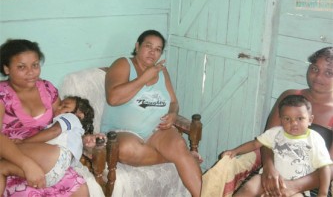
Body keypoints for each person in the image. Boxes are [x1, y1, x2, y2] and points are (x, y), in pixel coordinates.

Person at [201, 46, 333, 197]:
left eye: (329, 73)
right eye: (315, 69)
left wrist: (292, 186)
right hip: (274, 169)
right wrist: (269, 170)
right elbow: (268, 141)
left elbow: (330, 166)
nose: (318, 77)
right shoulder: (290, 97)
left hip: (312, 182)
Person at [100, 29, 202, 196]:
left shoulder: (161, 71)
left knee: (177, 144)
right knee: (125, 149)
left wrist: (173, 114)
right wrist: (144, 78)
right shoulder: (123, 63)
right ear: (137, 46)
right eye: (148, 46)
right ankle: (180, 156)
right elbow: (113, 98)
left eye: (158, 49)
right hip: (123, 130)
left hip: (157, 129)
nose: (152, 52)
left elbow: (174, 102)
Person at [0, 39, 89, 197]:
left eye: (35, 65)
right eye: (21, 67)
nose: (31, 72)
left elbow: (62, 121)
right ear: (6, 68)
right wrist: (27, 165)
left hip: (44, 156)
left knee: (80, 188)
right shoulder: (2, 95)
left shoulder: (47, 88)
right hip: (11, 155)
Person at [221, 95, 332, 197]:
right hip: (267, 180)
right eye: (287, 119)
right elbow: (255, 143)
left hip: (296, 189)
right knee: (249, 187)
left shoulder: (314, 139)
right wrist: (235, 151)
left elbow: (325, 166)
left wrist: (322, 193)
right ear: (281, 119)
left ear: (310, 120)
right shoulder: (275, 133)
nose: (293, 123)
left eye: (300, 118)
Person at [0, 95, 95, 195]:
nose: (58, 108)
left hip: (55, 156)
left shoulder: (71, 118)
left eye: (64, 106)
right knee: (2, 167)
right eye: (60, 105)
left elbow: (54, 131)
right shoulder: (76, 136)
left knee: (9, 150)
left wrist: (24, 142)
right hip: (54, 174)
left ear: (80, 115)